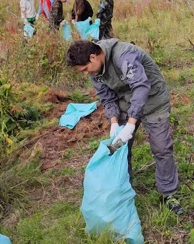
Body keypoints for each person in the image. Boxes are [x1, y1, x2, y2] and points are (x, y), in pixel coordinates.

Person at [66, 39, 182, 215]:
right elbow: (107, 97)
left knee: (161, 148)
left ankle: (169, 193)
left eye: (85, 69)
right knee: (118, 147)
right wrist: (114, 122)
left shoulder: (124, 56)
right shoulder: (95, 72)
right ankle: (122, 188)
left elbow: (141, 87)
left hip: (153, 101)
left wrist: (131, 123)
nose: (85, 74)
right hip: (125, 103)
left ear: (92, 57)